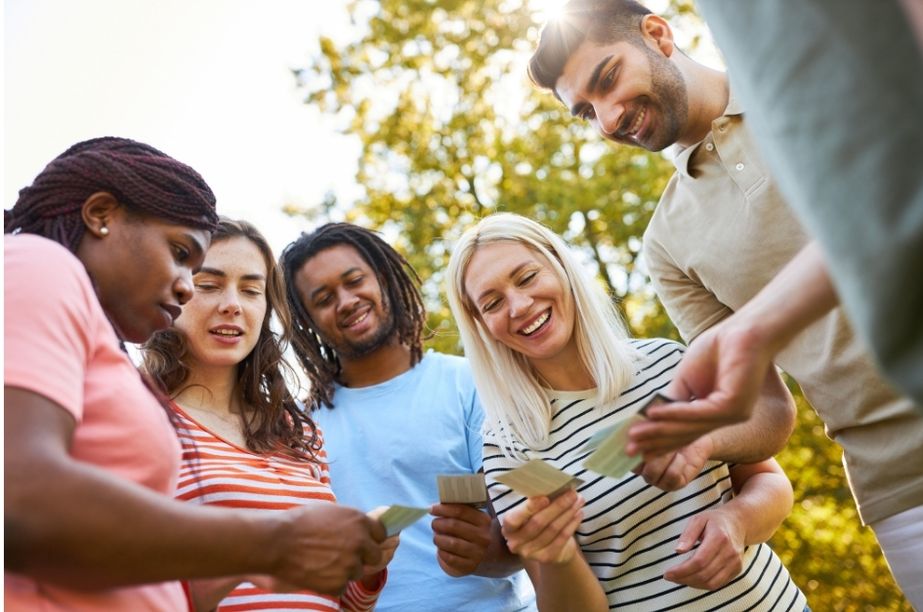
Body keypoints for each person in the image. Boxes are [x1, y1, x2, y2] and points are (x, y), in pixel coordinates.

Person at [526, 0, 923, 602]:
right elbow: (768, 409)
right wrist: (706, 438)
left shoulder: (814, 74)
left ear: (658, 35)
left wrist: (753, 329)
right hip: (902, 485)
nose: (606, 120)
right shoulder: (667, 245)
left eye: (607, 80)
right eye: (585, 112)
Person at [4, 137, 386, 612]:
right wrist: (272, 540)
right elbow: (18, 500)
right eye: (182, 255)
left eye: (252, 290)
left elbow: (169, 588)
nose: (185, 287)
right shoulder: (38, 263)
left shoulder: (115, 368)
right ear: (101, 214)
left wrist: (331, 561)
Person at [444, 212, 806, 610]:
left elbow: (770, 484)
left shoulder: (671, 365)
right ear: (480, 324)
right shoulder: (509, 447)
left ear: (561, 267)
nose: (519, 305)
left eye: (528, 277)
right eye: (492, 302)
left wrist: (737, 522)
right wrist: (556, 554)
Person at [142, 217, 398, 611]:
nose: (232, 304)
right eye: (208, 286)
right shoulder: (142, 415)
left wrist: (367, 571)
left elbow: (338, 603)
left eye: (250, 290)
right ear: (174, 292)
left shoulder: (296, 431)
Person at [279, 222, 537, 612]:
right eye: (323, 298)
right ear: (307, 320)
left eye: (354, 281)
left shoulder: (470, 383)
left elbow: (531, 528)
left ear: (383, 278)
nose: (346, 301)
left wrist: (491, 553)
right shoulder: (296, 428)